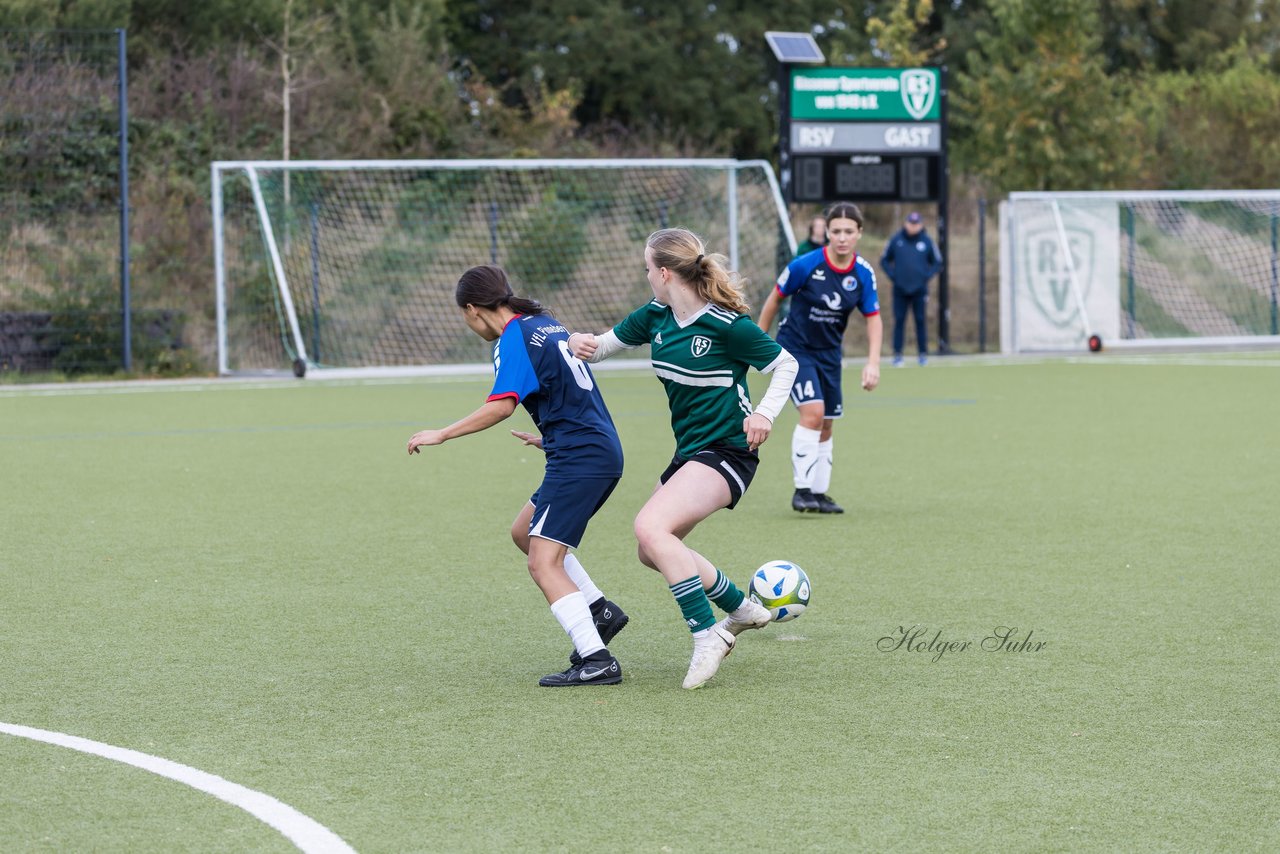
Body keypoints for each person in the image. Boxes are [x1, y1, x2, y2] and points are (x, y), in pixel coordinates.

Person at [569, 227, 798, 690]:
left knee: (651, 529)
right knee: (651, 550)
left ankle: (706, 636)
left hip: (730, 452)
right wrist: (578, 342)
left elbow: (785, 364)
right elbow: (602, 347)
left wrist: (764, 415)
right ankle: (740, 607)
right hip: (689, 452)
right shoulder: (655, 315)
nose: (646, 275)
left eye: (647, 268)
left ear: (666, 272)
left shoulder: (725, 325)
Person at [407, 265, 629, 688]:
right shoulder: (545, 324)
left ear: (473, 310)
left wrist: (443, 434)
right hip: (588, 449)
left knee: (542, 562)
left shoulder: (514, 340)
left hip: (580, 457)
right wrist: (553, 437)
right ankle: (599, 611)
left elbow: (502, 405)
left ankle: (596, 658)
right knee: (524, 530)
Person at [757, 200, 882, 515]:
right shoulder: (805, 265)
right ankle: (801, 491)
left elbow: (873, 317)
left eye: (848, 231)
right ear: (826, 231)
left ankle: (818, 493)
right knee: (812, 414)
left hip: (829, 355)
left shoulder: (863, 273)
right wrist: (757, 341)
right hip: (794, 350)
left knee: (827, 422)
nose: (842, 237)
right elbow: (775, 299)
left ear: (859, 234)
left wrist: (873, 362)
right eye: (836, 230)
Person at [880, 211, 943, 367]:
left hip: (919, 290)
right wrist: (894, 276)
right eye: (911, 223)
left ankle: (922, 354)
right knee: (899, 321)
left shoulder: (927, 241)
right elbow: (884, 260)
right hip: (900, 289)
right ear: (906, 223)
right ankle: (897, 354)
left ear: (920, 225)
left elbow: (937, 262)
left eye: (916, 224)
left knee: (920, 321)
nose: (913, 227)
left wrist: (925, 276)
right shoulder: (896, 240)